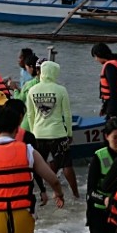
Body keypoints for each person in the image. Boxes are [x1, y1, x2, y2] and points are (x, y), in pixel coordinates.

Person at [26, 60, 79, 198]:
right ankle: (76, 194)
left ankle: (36, 193)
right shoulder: (61, 90)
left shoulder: (32, 90)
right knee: (66, 165)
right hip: (58, 134)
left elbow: (30, 114)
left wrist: (33, 132)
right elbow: (67, 114)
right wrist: (69, 134)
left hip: (38, 134)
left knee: (36, 167)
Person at [92, 43, 117, 125]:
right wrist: (105, 107)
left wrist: (112, 113)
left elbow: (113, 90)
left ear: (99, 54)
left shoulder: (110, 66)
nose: (96, 60)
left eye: (95, 57)